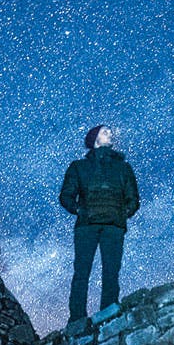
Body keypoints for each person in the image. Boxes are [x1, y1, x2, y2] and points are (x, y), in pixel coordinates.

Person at [59, 124, 140, 324]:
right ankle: (77, 319)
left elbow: (133, 198)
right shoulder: (78, 166)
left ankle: (109, 314)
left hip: (113, 226)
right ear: (94, 138)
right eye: (105, 132)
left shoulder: (123, 167)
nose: (110, 134)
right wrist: (79, 210)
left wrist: (122, 213)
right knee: (81, 272)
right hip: (87, 225)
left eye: (110, 132)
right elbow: (66, 195)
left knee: (111, 271)